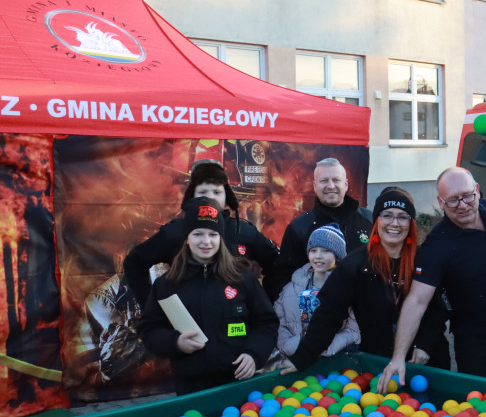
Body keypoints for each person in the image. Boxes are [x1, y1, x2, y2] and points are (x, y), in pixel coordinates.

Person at [377, 168, 486, 392]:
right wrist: (398, 358)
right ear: (440, 201)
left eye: (467, 196)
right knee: (481, 410)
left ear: (477, 190)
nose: (463, 205)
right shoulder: (437, 245)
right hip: (476, 343)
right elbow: (417, 301)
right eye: (453, 200)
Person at [291, 188, 448, 371]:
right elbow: (328, 314)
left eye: (402, 216)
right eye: (387, 215)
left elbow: (439, 309)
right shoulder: (355, 264)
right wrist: (300, 359)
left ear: (411, 222)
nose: (394, 223)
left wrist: (425, 345)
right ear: (376, 220)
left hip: (423, 360)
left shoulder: (424, 260)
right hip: (378, 363)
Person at [138, 197, 278, 395]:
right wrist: (175, 342)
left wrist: (253, 354)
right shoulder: (167, 284)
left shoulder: (242, 277)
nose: (206, 241)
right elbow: (149, 329)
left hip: (238, 385)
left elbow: (267, 323)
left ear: (221, 238)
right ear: (187, 238)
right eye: (198, 234)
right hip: (190, 388)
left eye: (213, 234)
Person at [123, 159, 278, 307]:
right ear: (192, 196)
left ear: (227, 197)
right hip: (187, 326)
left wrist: (266, 303)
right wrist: (152, 306)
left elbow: (277, 264)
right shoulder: (176, 232)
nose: (210, 197)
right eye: (203, 192)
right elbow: (135, 262)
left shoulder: (244, 231)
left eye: (217, 192)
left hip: (237, 324)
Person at [265, 158, 372, 301]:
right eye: (324, 181)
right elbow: (284, 277)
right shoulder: (300, 226)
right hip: (318, 312)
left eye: (336, 180)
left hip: (364, 308)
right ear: (315, 186)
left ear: (345, 184)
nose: (330, 185)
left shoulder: (369, 220)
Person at [270, 223, 359, 372]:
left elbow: (353, 330)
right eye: (313, 250)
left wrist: (321, 347)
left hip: (336, 363)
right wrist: (293, 345)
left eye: (325, 251)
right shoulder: (290, 287)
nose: (318, 256)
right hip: (296, 360)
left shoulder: (348, 286)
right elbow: (279, 322)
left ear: (338, 256)